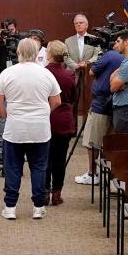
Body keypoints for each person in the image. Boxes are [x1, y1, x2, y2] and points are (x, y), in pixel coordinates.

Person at [0, 37, 61, 220]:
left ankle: (10, 207)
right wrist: (44, 113)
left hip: (15, 129)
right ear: (38, 53)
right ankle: (38, 207)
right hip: (40, 129)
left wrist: (6, 115)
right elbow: (56, 101)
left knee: (13, 167)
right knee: (39, 167)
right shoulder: (46, 74)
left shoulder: (8, 73)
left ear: (18, 52)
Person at [72, 36, 123, 186]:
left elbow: (92, 72)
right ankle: (107, 174)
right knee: (109, 142)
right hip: (117, 104)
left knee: (92, 141)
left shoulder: (109, 55)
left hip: (101, 104)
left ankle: (92, 174)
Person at [44, 40, 77, 206]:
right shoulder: (70, 75)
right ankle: (57, 194)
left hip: (46, 119)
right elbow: (73, 98)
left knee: (44, 159)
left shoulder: (42, 73)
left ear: (49, 55)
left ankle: (44, 192)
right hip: (64, 120)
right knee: (59, 159)